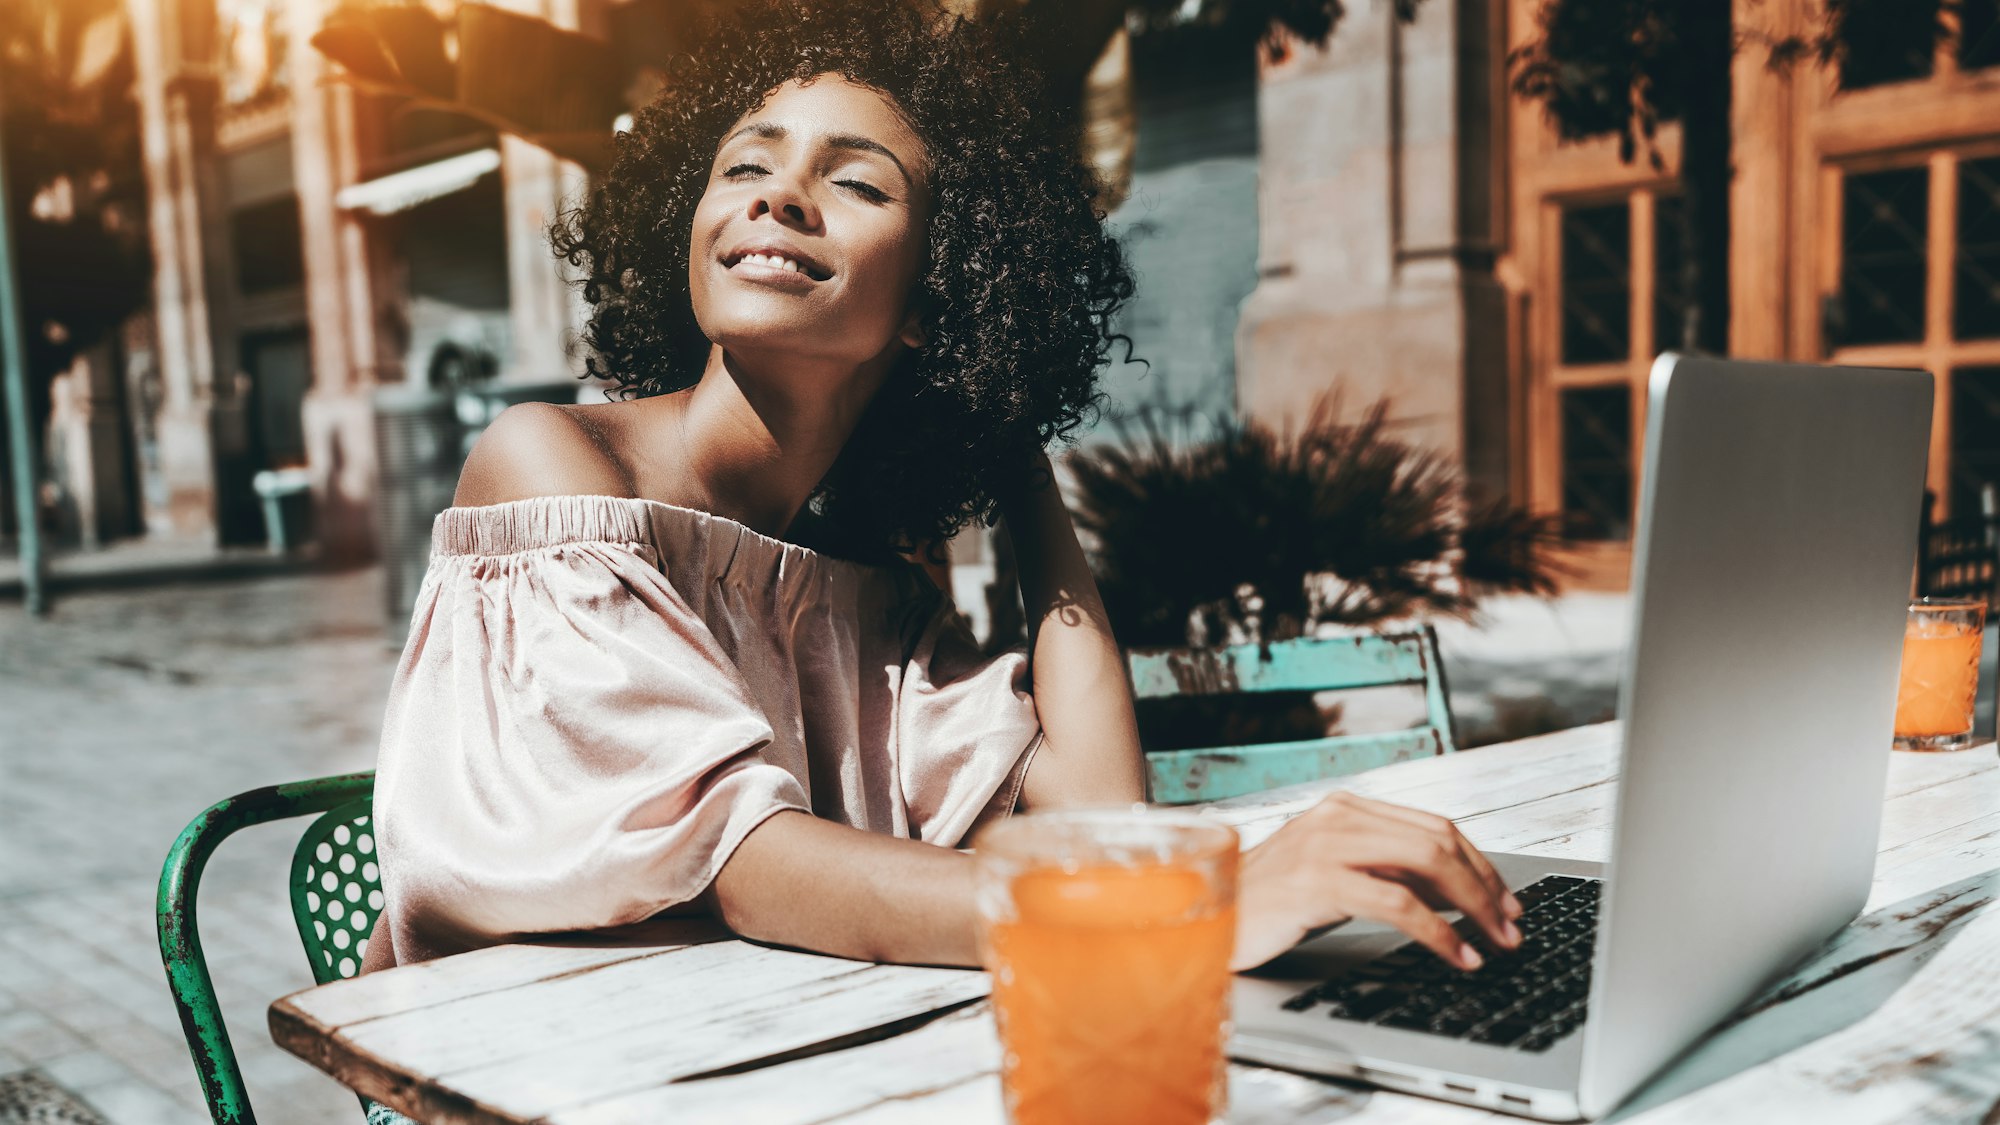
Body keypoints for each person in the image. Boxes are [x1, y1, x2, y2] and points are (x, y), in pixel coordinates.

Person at [365, 0, 1522, 986]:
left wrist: (1007, 439)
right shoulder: (553, 473)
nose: (778, 197)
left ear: (935, 300)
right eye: (745, 165)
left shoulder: (859, 593)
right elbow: (746, 860)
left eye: (854, 181)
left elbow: (1094, 806)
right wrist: (1193, 908)